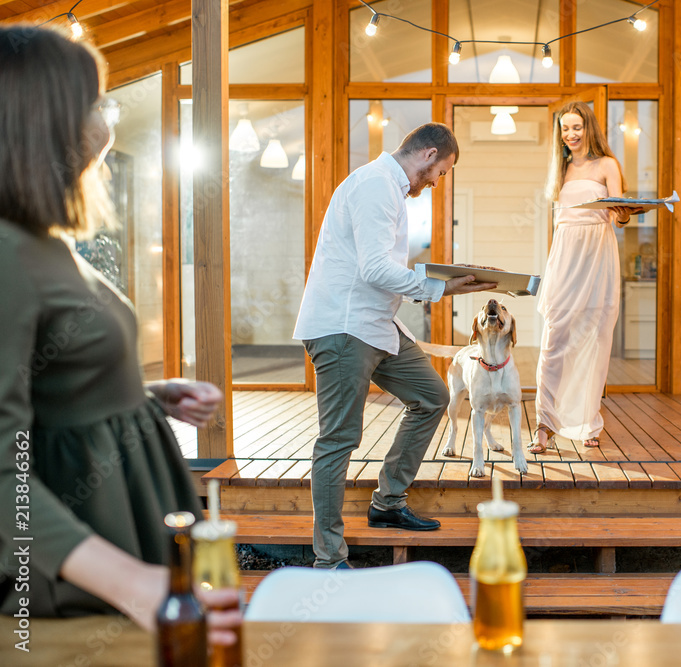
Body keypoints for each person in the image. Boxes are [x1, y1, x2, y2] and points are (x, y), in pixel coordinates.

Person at [0, 25, 238, 644]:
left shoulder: (42, 241)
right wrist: (135, 583)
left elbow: (39, 389)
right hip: (77, 565)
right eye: (94, 101)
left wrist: (141, 395)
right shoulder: (5, 254)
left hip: (123, 524)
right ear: (43, 118)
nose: (106, 117)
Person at [293, 123, 495, 570]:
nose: (436, 182)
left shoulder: (391, 189)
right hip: (344, 326)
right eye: (440, 172)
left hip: (377, 323)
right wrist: (439, 288)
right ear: (427, 155)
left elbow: (383, 270)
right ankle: (328, 558)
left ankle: (387, 502)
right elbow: (374, 269)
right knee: (339, 438)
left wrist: (447, 282)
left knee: (432, 396)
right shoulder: (373, 186)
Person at [531, 102, 640, 453]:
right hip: (565, 254)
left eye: (576, 127)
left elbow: (619, 218)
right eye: (565, 129)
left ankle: (588, 422)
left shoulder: (608, 165)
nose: (570, 134)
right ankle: (544, 424)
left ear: (588, 128)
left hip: (598, 252)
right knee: (555, 338)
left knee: (595, 335)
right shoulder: (559, 169)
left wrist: (623, 214)